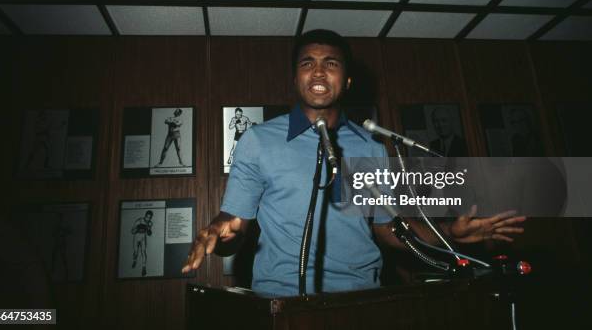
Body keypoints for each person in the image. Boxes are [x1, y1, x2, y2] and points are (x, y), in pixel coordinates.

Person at [182, 29, 525, 296]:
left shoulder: (371, 148)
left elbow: (387, 229)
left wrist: (449, 233)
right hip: (282, 299)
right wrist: (221, 232)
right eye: (307, 63)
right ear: (294, 78)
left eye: (330, 63)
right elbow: (234, 225)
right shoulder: (258, 141)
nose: (318, 71)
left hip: (362, 298)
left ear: (346, 81)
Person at [131, 210, 153, 277]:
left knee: (143, 252)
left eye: (149, 218)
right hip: (137, 236)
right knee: (136, 251)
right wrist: (138, 228)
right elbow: (132, 231)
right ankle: (135, 260)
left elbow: (149, 234)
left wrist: (148, 229)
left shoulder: (150, 223)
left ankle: (144, 267)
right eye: (147, 217)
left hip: (143, 237)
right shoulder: (139, 221)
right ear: (145, 216)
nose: (148, 219)